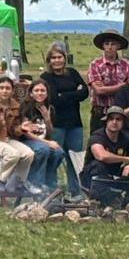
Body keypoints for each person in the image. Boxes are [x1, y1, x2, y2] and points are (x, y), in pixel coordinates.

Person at [39, 44, 88, 197]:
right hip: (57, 124)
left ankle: (75, 191)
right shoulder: (46, 78)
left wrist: (64, 95)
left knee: (74, 159)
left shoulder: (72, 73)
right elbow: (53, 99)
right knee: (56, 157)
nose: (57, 61)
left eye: (60, 57)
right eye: (53, 58)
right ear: (49, 60)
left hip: (75, 124)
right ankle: (51, 189)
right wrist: (74, 92)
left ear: (65, 59)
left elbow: (85, 92)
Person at [0, 76, 35, 195]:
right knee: (13, 154)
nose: (4, 91)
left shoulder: (15, 105)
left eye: (8, 88)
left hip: (7, 139)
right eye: (1, 88)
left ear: (12, 91)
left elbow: (14, 130)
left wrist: (22, 128)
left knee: (29, 154)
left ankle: (17, 181)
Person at [82, 110, 129, 205]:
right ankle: (107, 200)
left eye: (118, 119)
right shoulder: (97, 136)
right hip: (92, 177)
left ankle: (127, 201)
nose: (114, 122)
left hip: (114, 175)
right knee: (98, 165)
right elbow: (101, 156)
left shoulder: (125, 138)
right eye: (111, 119)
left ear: (123, 123)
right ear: (106, 121)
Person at [16, 80, 65, 195]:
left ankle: (49, 183)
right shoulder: (26, 107)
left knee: (59, 152)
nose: (40, 93)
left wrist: (47, 119)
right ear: (31, 93)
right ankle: (34, 183)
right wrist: (47, 143)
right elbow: (26, 132)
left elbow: (49, 134)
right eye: (36, 90)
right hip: (28, 140)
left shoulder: (49, 108)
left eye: (43, 90)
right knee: (44, 149)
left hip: (43, 141)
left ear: (47, 93)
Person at [84, 31, 129, 132]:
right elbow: (99, 91)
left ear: (118, 46)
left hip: (120, 111)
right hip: (100, 111)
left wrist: (106, 88)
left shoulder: (127, 65)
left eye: (113, 44)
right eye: (107, 44)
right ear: (103, 46)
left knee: (120, 143)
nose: (109, 47)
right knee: (96, 142)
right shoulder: (95, 64)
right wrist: (122, 86)